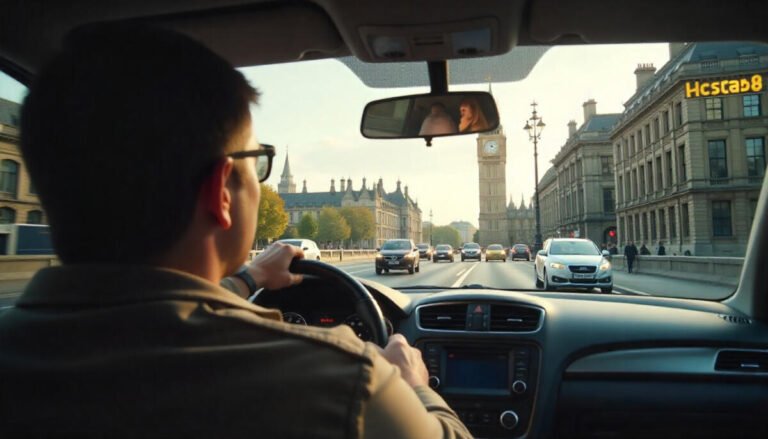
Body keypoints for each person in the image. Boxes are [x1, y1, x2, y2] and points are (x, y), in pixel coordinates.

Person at [0, 25, 471, 438]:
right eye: (256, 161)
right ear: (222, 190)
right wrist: (412, 388)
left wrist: (245, 280)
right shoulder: (350, 385)